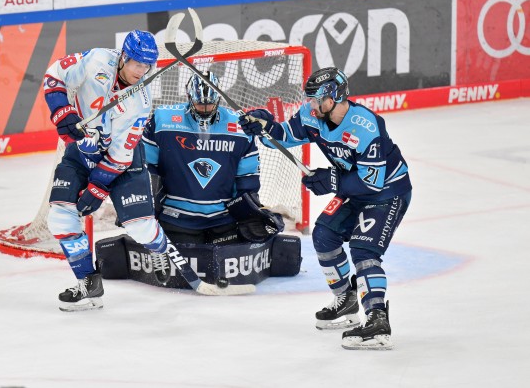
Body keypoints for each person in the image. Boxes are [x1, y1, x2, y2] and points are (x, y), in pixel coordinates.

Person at [238, 67, 412, 350]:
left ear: (333, 97)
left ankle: (378, 318)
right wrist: (265, 125)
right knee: (323, 235)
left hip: (388, 192)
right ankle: (347, 300)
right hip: (354, 190)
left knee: (364, 249)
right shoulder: (312, 116)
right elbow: (285, 135)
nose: (310, 105)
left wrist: (331, 179)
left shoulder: (366, 125)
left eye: (316, 99)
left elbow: (372, 180)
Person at [43, 30, 174, 312]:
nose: (142, 71)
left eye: (147, 65)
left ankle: (160, 250)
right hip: (81, 151)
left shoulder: (141, 102)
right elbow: (54, 76)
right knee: (59, 218)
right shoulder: (95, 60)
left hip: (121, 161)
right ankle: (89, 283)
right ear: (124, 56)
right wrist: (62, 112)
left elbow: (119, 155)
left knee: (140, 227)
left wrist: (98, 187)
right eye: (137, 63)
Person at [142, 71, 284, 246]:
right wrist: (146, 206)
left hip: (224, 219)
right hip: (176, 217)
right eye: (199, 104)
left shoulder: (240, 126)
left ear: (218, 99)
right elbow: (146, 166)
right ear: (189, 97)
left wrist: (248, 210)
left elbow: (247, 176)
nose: (205, 109)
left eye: (210, 104)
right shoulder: (163, 120)